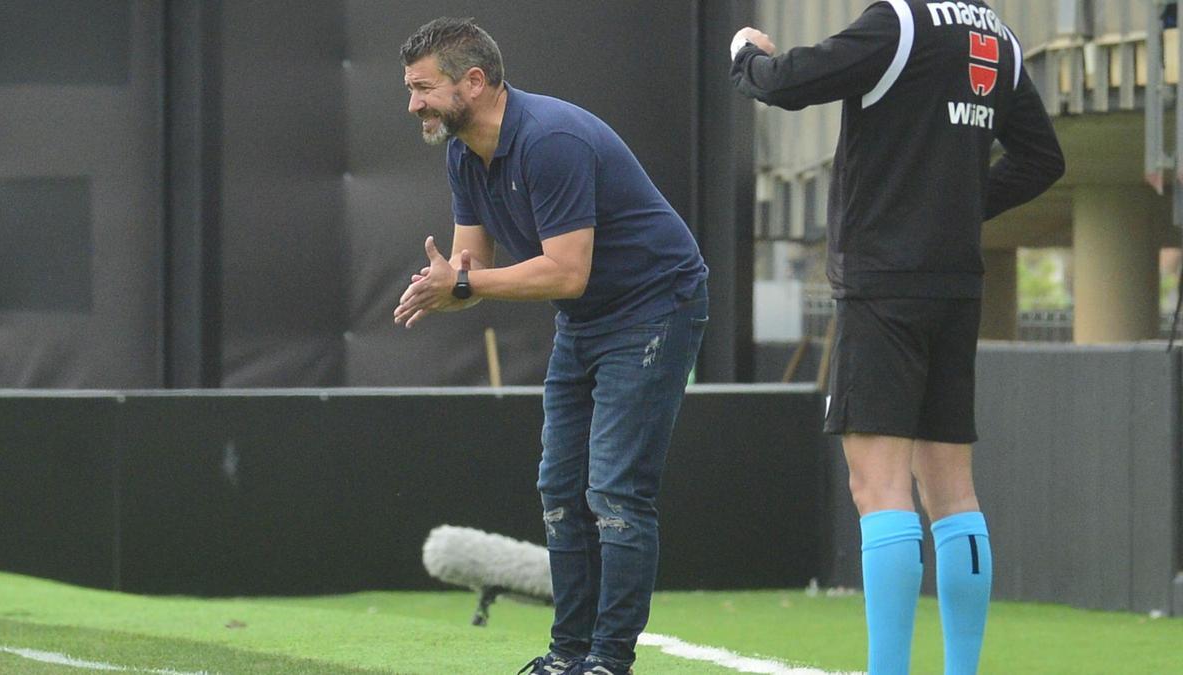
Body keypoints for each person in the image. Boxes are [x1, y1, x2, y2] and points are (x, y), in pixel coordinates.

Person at [729, 2, 1063, 674]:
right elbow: (1042, 159)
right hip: (956, 288)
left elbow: (787, 82)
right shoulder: (997, 36)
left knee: (878, 488)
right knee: (953, 492)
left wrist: (745, 54)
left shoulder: (899, 23)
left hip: (883, 285)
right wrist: (963, 206)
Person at [394, 17, 708, 675]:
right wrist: (443, 285)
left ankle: (609, 660)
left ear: (472, 82)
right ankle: (568, 654)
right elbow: (471, 267)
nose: (414, 104)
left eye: (423, 88)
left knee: (617, 489)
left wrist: (465, 279)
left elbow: (566, 270)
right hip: (586, 318)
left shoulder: (551, 140)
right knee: (560, 487)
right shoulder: (462, 152)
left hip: (656, 305)